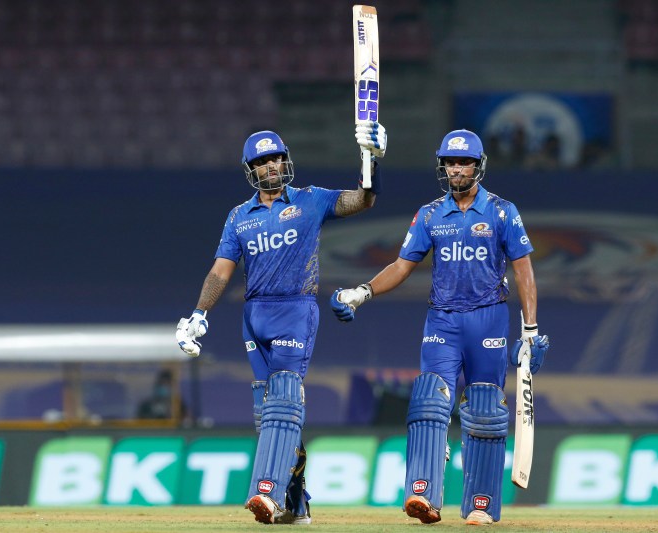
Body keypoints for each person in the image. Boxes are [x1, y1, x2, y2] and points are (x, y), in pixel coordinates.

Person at [330, 129, 549, 526]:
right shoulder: (430, 214)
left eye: (464, 162)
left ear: (478, 166)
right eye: (450, 163)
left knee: (485, 409)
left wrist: (530, 330)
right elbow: (401, 266)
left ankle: (480, 504)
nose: (456, 170)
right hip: (443, 321)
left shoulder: (502, 211)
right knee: (429, 402)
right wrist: (363, 292)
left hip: (488, 319)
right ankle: (423, 493)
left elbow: (523, 269)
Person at [175, 121, 387, 525]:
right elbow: (221, 271)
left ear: (286, 160)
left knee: (284, 403)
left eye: (276, 158)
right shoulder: (239, 217)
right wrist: (199, 313)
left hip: (296, 310)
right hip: (255, 316)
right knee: (267, 415)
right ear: (250, 170)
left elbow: (362, 201)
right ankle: (296, 502)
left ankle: (266, 492)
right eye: (262, 161)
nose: (271, 166)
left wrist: (372, 163)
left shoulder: (311, 200)